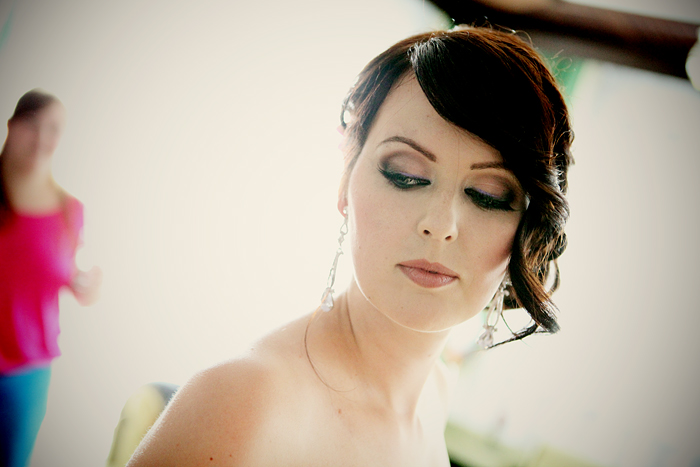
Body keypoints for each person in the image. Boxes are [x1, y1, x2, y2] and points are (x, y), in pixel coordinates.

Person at [127, 25, 572, 466]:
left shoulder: (435, 392)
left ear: (529, 228)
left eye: (489, 196)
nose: (440, 226)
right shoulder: (244, 403)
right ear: (345, 179)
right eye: (406, 175)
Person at [0, 89, 102, 467]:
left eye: (54, 128)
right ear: (12, 126)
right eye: (32, 124)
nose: (42, 138)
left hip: (28, 371)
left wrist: (85, 285)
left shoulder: (70, 211)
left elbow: (64, 273)